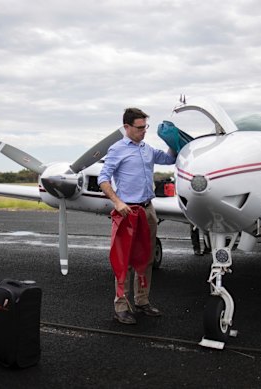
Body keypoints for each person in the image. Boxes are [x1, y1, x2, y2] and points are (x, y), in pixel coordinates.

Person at [98, 107, 176, 325]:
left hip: (148, 210)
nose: (144, 132)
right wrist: (117, 202)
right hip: (127, 211)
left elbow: (169, 160)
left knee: (146, 258)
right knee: (126, 262)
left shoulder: (147, 149)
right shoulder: (116, 150)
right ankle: (121, 307)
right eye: (140, 128)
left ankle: (142, 301)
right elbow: (103, 179)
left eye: (145, 127)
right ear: (127, 127)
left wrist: (173, 141)